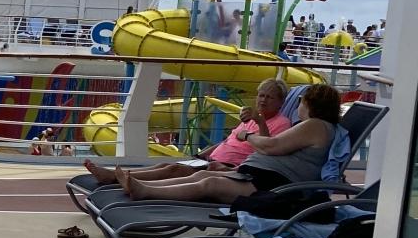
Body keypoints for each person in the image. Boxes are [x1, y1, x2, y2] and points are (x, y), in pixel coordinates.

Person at [117, 84, 341, 203]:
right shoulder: (316, 126)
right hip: (260, 176)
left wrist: (248, 136)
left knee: (210, 184)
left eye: (301, 101)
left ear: (311, 104)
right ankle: (144, 186)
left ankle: (147, 191)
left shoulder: (315, 125)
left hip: (272, 185)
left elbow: (271, 146)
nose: (298, 105)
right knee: (202, 175)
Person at [82, 78, 289, 190]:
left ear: (280, 102)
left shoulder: (281, 123)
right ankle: (119, 177)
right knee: (168, 165)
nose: (263, 100)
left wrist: (260, 121)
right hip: (212, 160)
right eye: (261, 95)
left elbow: (267, 150)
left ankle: (128, 182)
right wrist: (200, 155)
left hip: (230, 168)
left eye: (269, 97)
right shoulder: (251, 118)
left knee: (174, 169)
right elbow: (226, 142)